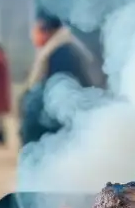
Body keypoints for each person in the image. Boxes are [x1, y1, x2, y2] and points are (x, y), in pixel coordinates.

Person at [19, 11, 99, 148]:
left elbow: (57, 91)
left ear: (46, 29)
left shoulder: (62, 52)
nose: (33, 35)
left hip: (59, 124)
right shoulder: (61, 47)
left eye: (36, 29)